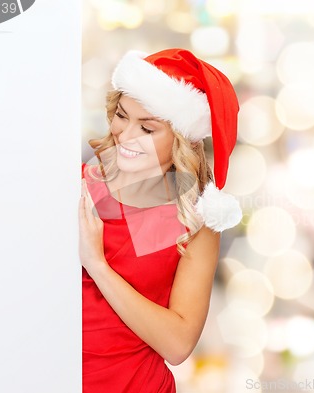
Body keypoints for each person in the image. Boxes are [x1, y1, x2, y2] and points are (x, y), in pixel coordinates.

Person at [78, 48, 242, 393]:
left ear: (182, 138)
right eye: (121, 116)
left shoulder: (193, 218)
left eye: (147, 128)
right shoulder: (77, 185)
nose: (125, 135)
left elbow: (178, 344)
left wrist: (97, 265)